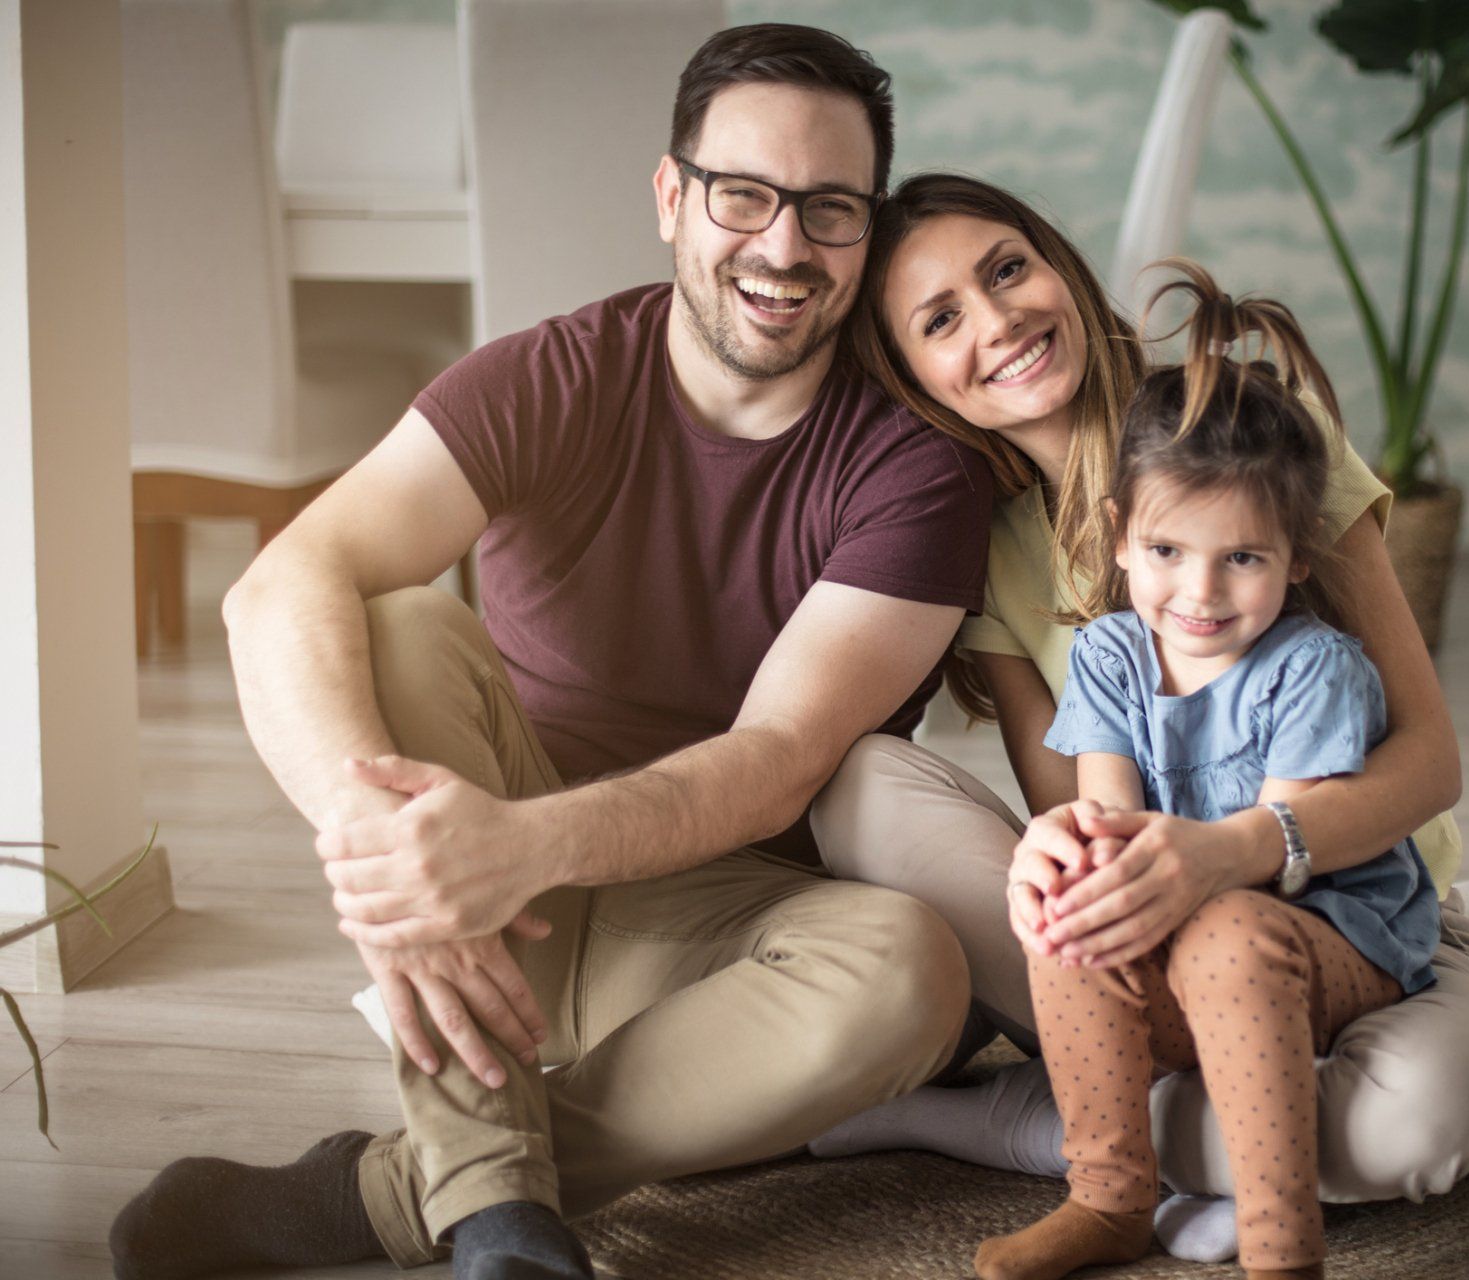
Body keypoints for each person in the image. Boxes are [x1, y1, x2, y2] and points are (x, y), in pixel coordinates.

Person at [109, 25, 996, 1280]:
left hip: (716, 925)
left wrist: (515, 847)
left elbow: (783, 755)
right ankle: (510, 1228)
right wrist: (403, 879)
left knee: (913, 966)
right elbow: (278, 587)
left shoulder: (916, 463)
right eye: (744, 195)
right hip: (498, 905)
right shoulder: (557, 374)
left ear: (868, 229)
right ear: (671, 197)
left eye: (831, 210)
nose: (785, 246)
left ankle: (395, 1192)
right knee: (395, 619)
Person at [807, 175, 1469, 1262]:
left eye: (1007, 269)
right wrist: (1068, 852)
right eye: (941, 318)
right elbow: (1080, 808)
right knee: (860, 782)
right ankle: (1139, 1150)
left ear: (1060, 265)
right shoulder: (984, 540)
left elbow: (1431, 759)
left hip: (1342, 905)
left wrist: (1230, 852)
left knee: (1408, 1131)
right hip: (1145, 932)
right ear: (913, 378)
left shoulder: (1252, 438)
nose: (998, 322)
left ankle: (1003, 1121)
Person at [974, 261, 1440, 1280]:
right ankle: (1109, 1197)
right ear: (1122, 543)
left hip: (1324, 924)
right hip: (1189, 917)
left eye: (1244, 558)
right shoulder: (1108, 653)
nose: (1201, 590)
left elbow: (1277, 859)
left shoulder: (1312, 666)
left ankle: (1281, 1247)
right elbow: (1108, 816)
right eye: (1171, 550)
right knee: (1071, 916)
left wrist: (1165, 887)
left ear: (1297, 558)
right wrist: (1077, 866)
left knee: (1226, 931)